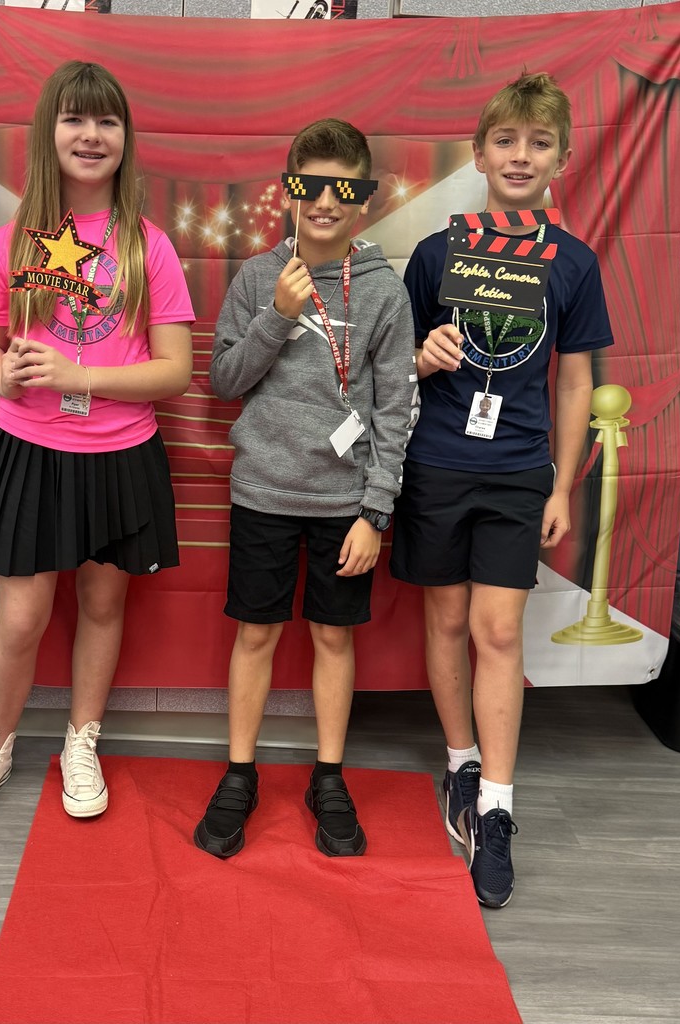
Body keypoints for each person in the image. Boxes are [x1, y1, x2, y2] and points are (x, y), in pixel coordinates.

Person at [0, 61, 194, 825]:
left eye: (107, 121)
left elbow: (176, 371)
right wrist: (8, 374)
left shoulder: (149, 247)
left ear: (125, 137)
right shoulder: (14, 241)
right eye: (76, 119)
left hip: (121, 454)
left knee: (102, 603)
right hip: (29, 449)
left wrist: (79, 370)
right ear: (49, 131)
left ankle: (80, 742)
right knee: (18, 618)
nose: (91, 135)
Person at [390, 72, 614, 907]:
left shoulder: (574, 262)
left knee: (497, 629)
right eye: (507, 141)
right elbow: (394, 362)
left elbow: (572, 383)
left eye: (539, 143)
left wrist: (560, 481)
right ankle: (460, 763)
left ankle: (498, 805)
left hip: (519, 473)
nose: (521, 156)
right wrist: (418, 358)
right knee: (446, 619)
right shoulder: (435, 253)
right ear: (479, 153)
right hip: (437, 465)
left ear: (560, 158)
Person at [194, 118, 417, 859]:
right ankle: (238, 773)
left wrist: (374, 515)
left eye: (342, 189)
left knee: (332, 635)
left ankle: (327, 774)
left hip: (342, 505)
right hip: (262, 489)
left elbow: (393, 409)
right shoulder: (260, 276)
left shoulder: (384, 290)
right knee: (254, 633)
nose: (324, 202)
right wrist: (276, 317)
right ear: (287, 189)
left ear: (364, 199)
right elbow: (223, 381)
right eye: (308, 185)